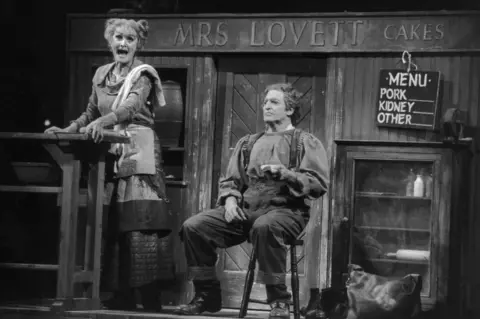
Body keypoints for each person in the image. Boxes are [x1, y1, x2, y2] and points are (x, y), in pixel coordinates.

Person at [45, 18, 171, 312]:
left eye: (129, 38)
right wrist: (68, 129)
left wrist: (105, 121)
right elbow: (90, 111)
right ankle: (122, 293)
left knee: (140, 222)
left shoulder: (143, 75)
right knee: (112, 221)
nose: (123, 43)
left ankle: (150, 297)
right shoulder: (102, 73)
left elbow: (131, 108)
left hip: (138, 149)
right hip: (109, 151)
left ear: (138, 44)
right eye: (118, 37)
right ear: (109, 41)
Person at [175, 83, 329, 319]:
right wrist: (229, 202)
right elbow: (231, 181)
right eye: (265, 102)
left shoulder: (304, 141)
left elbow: (317, 184)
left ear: (289, 110)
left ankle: (279, 301)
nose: (266, 106)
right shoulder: (247, 142)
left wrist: (287, 175)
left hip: (287, 211)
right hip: (246, 209)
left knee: (265, 226)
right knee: (194, 227)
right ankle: (207, 295)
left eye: (274, 102)